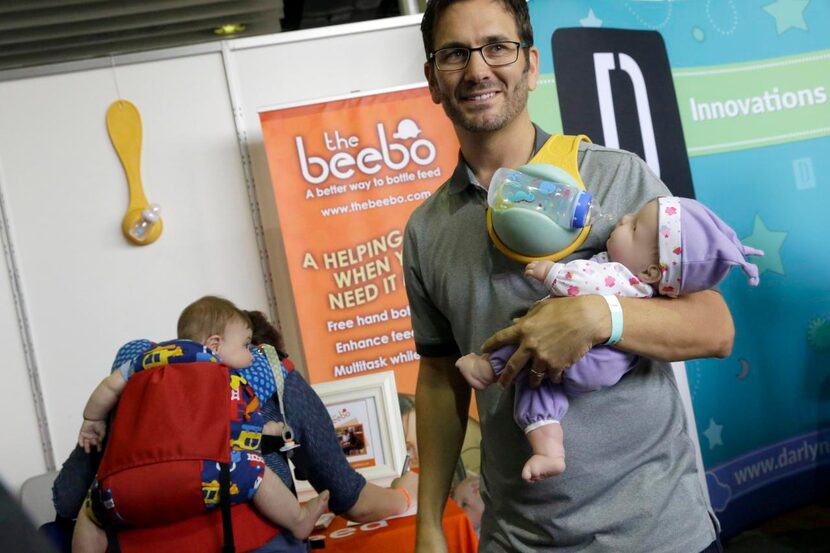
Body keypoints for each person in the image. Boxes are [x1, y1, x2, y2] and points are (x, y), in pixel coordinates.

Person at [404, 1, 734, 551]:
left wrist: (598, 314)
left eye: (497, 46)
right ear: (434, 80)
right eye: (455, 54)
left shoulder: (613, 176)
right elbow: (441, 379)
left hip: (658, 534)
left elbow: (715, 327)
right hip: (521, 539)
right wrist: (428, 523)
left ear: (530, 65)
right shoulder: (426, 231)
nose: (479, 69)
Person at [457, 196, 763, 482]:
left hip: (592, 358)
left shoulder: (618, 277)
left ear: (652, 271)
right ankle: (549, 449)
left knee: (525, 340)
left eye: (633, 227)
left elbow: (581, 281)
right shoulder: (646, 288)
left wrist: (551, 273)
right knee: (538, 384)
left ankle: (488, 367)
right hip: (604, 365)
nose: (624, 218)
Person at [71, 297, 329, 553]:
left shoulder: (144, 362)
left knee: (92, 512)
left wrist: (92, 420)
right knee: (257, 473)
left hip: (132, 486)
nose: (251, 354)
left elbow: (109, 386)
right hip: (204, 478)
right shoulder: (227, 379)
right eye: (246, 345)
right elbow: (239, 433)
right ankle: (298, 520)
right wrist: (271, 432)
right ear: (214, 344)